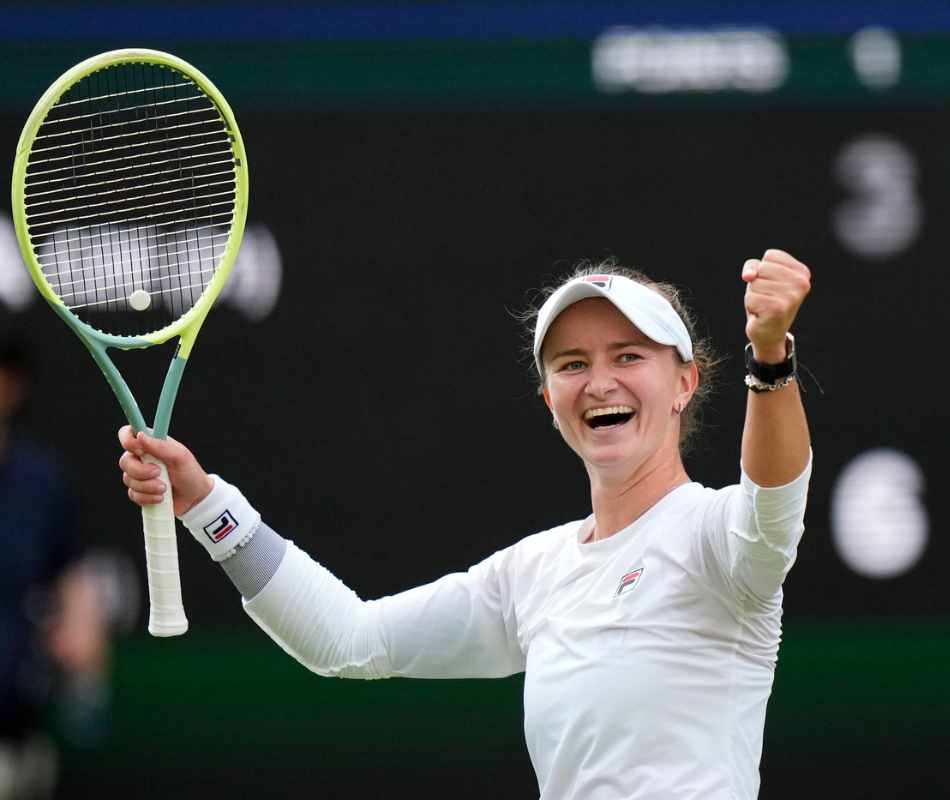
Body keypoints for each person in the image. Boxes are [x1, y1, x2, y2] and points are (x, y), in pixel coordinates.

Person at [116, 249, 814, 799]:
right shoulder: (534, 573)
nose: (599, 382)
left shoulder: (718, 538)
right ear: (550, 399)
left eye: (628, 356)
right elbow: (349, 639)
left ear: (684, 383)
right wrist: (205, 502)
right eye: (573, 365)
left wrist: (771, 359)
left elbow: (773, 499)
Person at [1, 333, 111, 800]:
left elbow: (72, 577)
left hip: (20, 732)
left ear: (11, 386)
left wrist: (81, 625)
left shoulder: (42, 485)